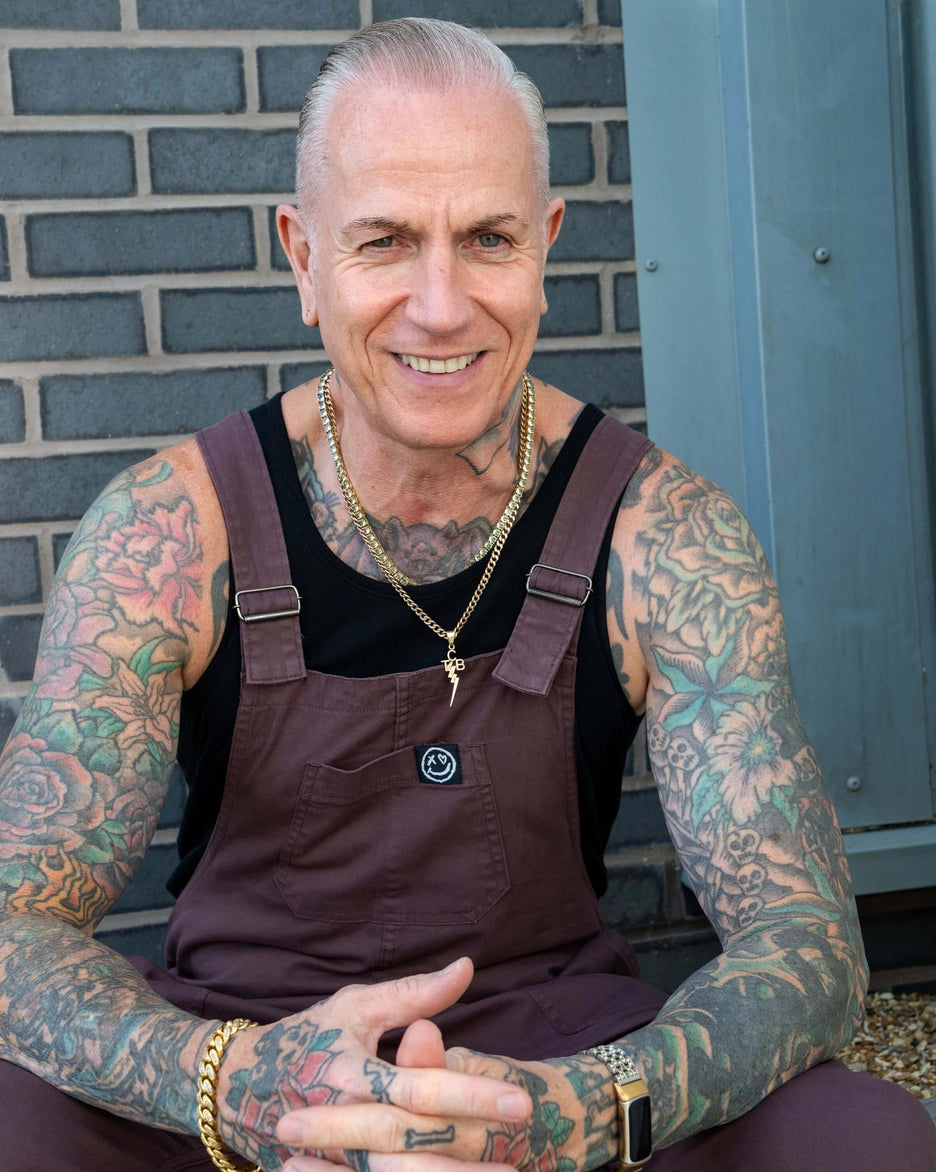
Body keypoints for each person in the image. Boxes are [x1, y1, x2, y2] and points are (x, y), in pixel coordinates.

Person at [0, 17, 933, 1172]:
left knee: (866, 1138)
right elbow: (15, 920)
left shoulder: (665, 536)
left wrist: (595, 1105)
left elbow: (809, 942)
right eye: (386, 241)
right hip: (246, 1055)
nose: (440, 307)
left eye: (488, 238)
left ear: (546, 247)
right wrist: (233, 1083)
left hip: (554, 1058)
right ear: (302, 257)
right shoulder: (169, 533)